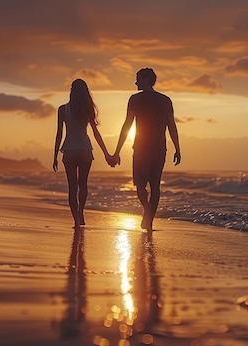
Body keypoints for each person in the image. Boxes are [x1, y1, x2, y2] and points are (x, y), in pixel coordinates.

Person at [109, 68, 181, 231]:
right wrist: (177, 148)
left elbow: (127, 125)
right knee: (155, 185)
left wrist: (117, 151)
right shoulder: (165, 100)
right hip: (160, 147)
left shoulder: (135, 99)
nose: (136, 82)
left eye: (138, 79)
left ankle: (147, 210)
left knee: (140, 184)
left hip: (141, 147)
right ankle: (149, 219)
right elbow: (172, 126)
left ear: (147, 79)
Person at [53, 79, 112, 228]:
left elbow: (59, 133)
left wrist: (55, 155)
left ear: (71, 90)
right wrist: (106, 153)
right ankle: (81, 212)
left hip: (70, 151)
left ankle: (75, 221)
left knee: (72, 187)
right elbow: (96, 133)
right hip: (85, 150)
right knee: (83, 184)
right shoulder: (87, 109)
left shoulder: (63, 109)